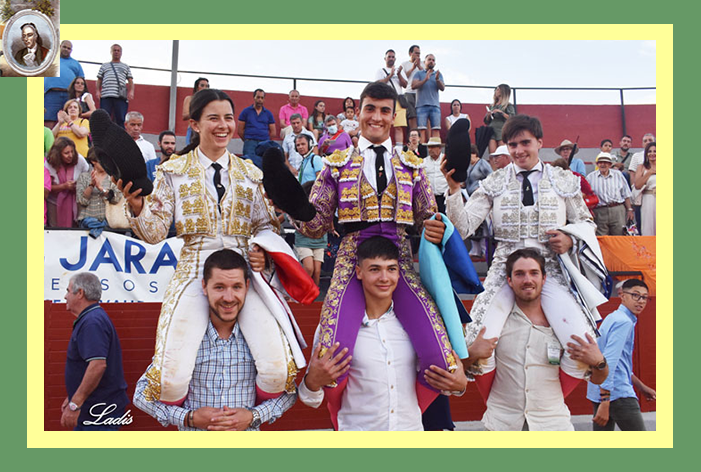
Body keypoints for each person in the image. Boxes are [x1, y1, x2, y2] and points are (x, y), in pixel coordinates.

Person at [114, 88, 301, 405]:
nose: (223, 125)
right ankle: (193, 423)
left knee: (279, 373)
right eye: (213, 118)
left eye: (228, 117)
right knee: (170, 382)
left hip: (243, 275)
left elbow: (266, 227)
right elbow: (155, 232)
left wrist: (262, 252)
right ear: (196, 124)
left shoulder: (250, 174)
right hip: (193, 272)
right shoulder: (172, 171)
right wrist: (136, 208)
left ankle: (243, 420)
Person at [292, 82, 456, 416]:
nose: (377, 117)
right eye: (370, 108)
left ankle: (409, 414)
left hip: (399, 261)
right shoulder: (334, 164)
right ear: (359, 113)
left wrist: (439, 224)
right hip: (352, 259)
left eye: (384, 110)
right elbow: (315, 224)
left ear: (394, 116)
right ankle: (349, 422)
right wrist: (297, 207)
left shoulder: (414, 165)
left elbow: (427, 218)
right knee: (331, 355)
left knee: (442, 359)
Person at [443, 114, 606, 384]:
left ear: (539, 142)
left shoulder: (562, 180)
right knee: (476, 343)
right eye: (512, 145)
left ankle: (553, 405)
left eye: (525, 143)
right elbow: (463, 227)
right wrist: (453, 190)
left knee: (583, 347)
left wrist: (569, 239)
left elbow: (586, 222)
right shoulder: (495, 181)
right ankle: (499, 405)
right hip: (505, 269)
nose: (518, 151)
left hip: (551, 269)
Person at [298, 236, 466, 430]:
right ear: (359, 272)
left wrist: (460, 386)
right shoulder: (334, 327)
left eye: (391, 269)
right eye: (375, 269)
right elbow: (310, 399)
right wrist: (311, 381)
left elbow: (441, 379)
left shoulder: (414, 326)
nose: (385, 278)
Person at [134, 249, 297, 430]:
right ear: (204, 287)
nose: (228, 298)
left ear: (247, 286)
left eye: (236, 287)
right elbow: (141, 395)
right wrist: (189, 418)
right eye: (219, 287)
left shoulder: (259, 339)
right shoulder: (187, 338)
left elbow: (289, 393)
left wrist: (254, 416)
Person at [480, 249, 608, 431]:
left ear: (544, 279)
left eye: (534, 273)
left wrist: (599, 362)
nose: (527, 280)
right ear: (509, 280)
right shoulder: (496, 323)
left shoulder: (564, 326)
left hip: (553, 425)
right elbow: (471, 368)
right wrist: (471, 355)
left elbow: (598, 378)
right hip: (501, 425)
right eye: (519, 274)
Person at [61, 272, 129, 430]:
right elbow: (86, 366)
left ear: (80, 293)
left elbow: (97, 365)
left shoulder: (92, 322)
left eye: (68, 291)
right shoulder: (91, 318)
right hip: (94, 408)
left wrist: (75, 404)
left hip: (98, 412)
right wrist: (72, 395)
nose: (65, 296)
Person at [586, 279, 656, 431]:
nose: (641, 301)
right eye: (635, 295)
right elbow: (609, 361)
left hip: (602, 391)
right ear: (622, 295)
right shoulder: (623, 322)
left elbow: (619, 363)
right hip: (616, 394)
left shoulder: (613, 317)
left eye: (644, 297)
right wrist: (605, 400)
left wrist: (641, 387)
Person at [77, 149, 123, 238]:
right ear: (93, 161)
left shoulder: (113, 177)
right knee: (90, 222)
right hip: (88, 221)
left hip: (110, 220)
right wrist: (91, 185)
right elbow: (82, 201)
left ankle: (98, 228)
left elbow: (116, 198)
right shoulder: (84, 177)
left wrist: (101, 188)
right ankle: (98, 227)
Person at [45, 137, 90, 228]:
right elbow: (46, 188)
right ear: (58, 154)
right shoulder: (50, 163)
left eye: (72, 152)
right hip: (54, 202)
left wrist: (78, 186)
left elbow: (88, 179)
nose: (70, 155)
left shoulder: (80, 160)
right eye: (66, 153)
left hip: (76, 201)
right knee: (56, 230)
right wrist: (63, 186)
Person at [586, 152, 634, 236]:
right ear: (597, 164)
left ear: (610, 164)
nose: (603, 165)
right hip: (599, 212)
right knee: (601, 239)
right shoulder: (590, 177)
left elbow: (626, 194)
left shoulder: (618, 175)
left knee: (619, 237)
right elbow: (586, 195)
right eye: (600, 162)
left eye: (605, 163)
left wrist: (629, 209)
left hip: (617, 210)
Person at [294, 181, 327, 287]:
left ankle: (313, 297)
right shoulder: (299, 206)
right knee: (309, 268)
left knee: (317, 272)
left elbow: (329, 219)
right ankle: (302, 293)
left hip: (320, 241)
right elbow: (286, 216)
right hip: (303, 242)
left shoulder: (323, 206)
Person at [44, 41, 85, 123]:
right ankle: (49, 136)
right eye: (64, 47)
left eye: (69, 48)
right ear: (60, 47)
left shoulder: (75, 63)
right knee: (48, 118)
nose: (66, 49)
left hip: (69, 95)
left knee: (70, 119)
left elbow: (81, 80)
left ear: (71, 50)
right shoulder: (49, 59)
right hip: (51, 94)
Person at [96, 44, 134, 128]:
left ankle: (120, 138)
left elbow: (130, 80)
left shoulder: (125, 66)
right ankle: (104, 138)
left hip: (120, 96)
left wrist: (131, 91)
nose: (116, 52)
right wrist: (98, 91)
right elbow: (99, 79)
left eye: (118, 50)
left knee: (121, 119)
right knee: (104, 118)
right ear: (111, 52)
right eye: (114, 50)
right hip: (106, 95)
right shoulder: (104, 66)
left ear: (121, 53)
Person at [375, 49, 408, 145]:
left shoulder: (400, 71)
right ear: (385, 58)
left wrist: (398, 74)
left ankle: (399, 149)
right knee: (385, 125)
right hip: (386, 100)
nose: (391, 58)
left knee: (399, 126)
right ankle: (385, 146)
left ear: (395, 59)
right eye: (389, 56)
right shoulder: (380, 71)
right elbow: (378, 84)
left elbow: (405, 85)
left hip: (399, 100)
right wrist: (390, 76)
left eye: (393, 57)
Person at [412, 54, 445, 142]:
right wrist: (425, 79)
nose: (431, 61)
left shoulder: (438, 74)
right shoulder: (419, 73)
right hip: (421, 106)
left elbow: (442, 88)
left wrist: (437, 79)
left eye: (433, 60)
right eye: (429, 59)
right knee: (422, 130)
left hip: (435, 106)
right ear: (424, 62)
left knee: (436, 129)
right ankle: (422, 152)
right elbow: (413, 85)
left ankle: (435, 152)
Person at [237, 88, 276, 157]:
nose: (260, 100)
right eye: (258, 97)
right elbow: (240, 130)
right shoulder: (246, 112)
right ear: (254, 97)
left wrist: (266, 141)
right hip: (250, 143)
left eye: (262, 98)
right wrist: (247, 140)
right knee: (248, 163)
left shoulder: (268, 113)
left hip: (264, 143)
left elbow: (273, 132)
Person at [484, 84, 515, 154]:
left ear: (503, 91)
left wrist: (501, 112)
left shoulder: (508, 105)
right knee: (492, 154)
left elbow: (512, 118)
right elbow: (487, 121)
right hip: (492, 131)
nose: (495, 91)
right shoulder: (492, 105)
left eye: (497, 89)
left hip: (501, 131)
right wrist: (488, 115)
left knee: (502, 154)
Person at [633, 141, 656, 236]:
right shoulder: (642, 167)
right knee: (648, 226)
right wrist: (649, 173)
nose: (652, 154)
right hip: (649, 198)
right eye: (649, 151)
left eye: (655, 151)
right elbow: (637, 185)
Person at [400, 45, 422, 133]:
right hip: (409, 92)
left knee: (421, 115)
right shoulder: (404, 64)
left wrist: (419, 66)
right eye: (416, 53)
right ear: (410, 53)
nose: (418, 55)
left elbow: (425, 75)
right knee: (411, 114)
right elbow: (403, 77)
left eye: (419, 53)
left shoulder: (423, 63)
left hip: (421, 93)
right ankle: (413, 134)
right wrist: (413, 68)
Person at [424, 137, 448, 213]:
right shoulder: (424, 161)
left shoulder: (446, 160)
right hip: (430, 197)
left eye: (432, 147)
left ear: (439, 148)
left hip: (444, 196)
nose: (430, 149)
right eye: (429, 147)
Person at [183, 77, 210, 144]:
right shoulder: (190, 99)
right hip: (193, 130)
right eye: (202, 85)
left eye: (207, 86)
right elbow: (184, 116)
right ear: (197, 87)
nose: (205, 88)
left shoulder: (210, 101)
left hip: (206, 129)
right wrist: (198, 111)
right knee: (190, 152)